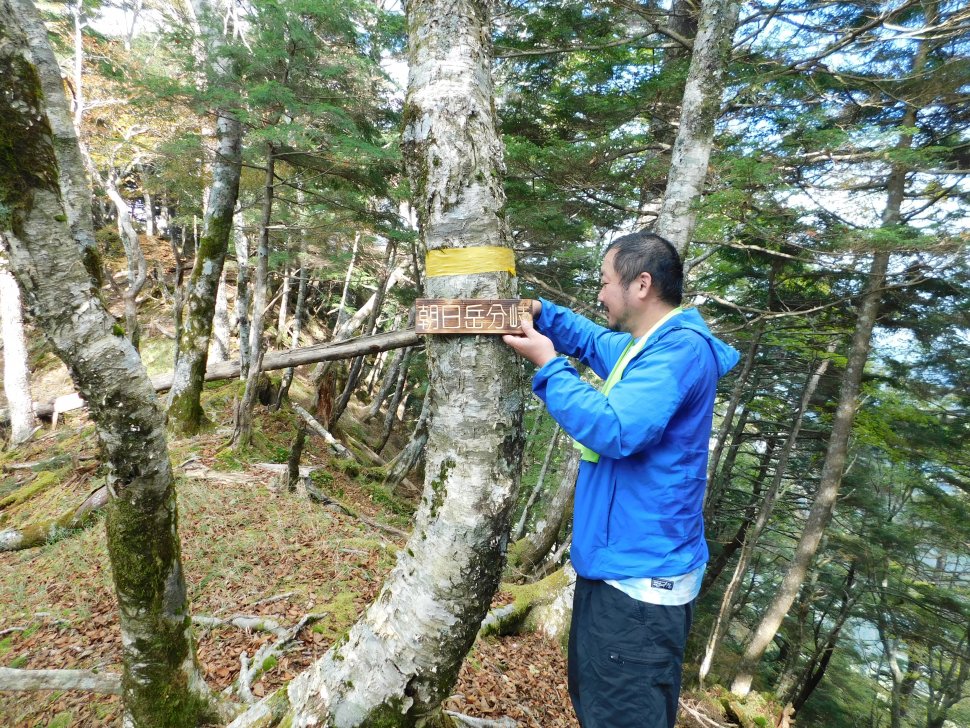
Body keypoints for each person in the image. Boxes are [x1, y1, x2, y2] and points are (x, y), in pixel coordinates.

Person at [503, 232, 739, 728]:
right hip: (620, 571)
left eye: (606, 282)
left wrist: (549, 367)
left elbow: (616, 428)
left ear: (642, 285)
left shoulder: (679, 353)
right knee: (599, 704)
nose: (600, 294)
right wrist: (542, 313)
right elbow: (593, 342)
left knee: (620, 714)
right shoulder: (648, 347)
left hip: (639, 588)